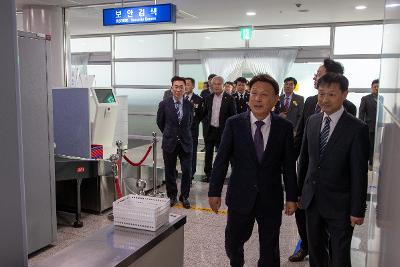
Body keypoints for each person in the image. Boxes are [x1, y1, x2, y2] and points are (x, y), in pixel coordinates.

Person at [208, 74, 298, 266]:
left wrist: (291, 196)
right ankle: (236, 261)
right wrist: (214, 191)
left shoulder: (284, 127)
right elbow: (221, 160)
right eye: (254, 93)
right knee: (233, 242)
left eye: (264, 95)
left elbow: (289, 165)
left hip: (270, 197)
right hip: (240, 195)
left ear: (275, 99)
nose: (257, 98)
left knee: (270, 247)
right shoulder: (234, 124)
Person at [289, 58, 357, 262]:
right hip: (310, 182)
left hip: (336, 192)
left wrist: (356, 207)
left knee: (337, 249)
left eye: (319, 74)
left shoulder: (350, 112)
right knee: (309, 229)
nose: (315, 77)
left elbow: (354, 163)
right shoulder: (311, 103)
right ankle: (306, 246)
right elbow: (302, 137)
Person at [298, 72, 369, 267]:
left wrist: (357, 209)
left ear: (344, 94)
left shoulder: (357, 128)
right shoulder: (312, 121)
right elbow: (305, 161)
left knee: (339, 256)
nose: (325, 99)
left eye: (331, 94)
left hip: (341, 205)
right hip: (312, 200)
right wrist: (299, 194)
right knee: (316, 251)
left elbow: (359, 172)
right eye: (321, 94)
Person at [156, 76, 193, 209]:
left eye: (181, 87)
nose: (178, 89)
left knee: (187, 171)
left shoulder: (189, 104)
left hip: (186, 142)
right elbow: (160, 122)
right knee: (170, 171)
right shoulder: (164, 104)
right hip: (169, 142)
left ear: (185, 89)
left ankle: (185, 196)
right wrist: (169, 133)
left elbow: (190, 122)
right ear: (172, 88)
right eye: (176, 87)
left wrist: (181, 134)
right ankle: (172, 195)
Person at [202, 75, 236, 182]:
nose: (216, 86)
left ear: (223, 85)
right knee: (208, 154)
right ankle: (208, 174)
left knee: (224, 154)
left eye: (218, 84)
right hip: (210, 130)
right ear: (211, 85)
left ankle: (223, 174)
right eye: (214, 84)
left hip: (223, 131)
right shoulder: (208, 98)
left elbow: (233, 116)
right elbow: (205, 114)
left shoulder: (229, 98)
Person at [184, 77, 204, 182]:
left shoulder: (199, 99)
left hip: (192, 131)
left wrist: (194, 123)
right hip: (180, 132)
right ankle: (182, 173)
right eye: (185, 84)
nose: (186, 86)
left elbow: (201, 115)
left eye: (188, 84)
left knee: (192, 153)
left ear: (193, 86)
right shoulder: (179, 98)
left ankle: (191, 174)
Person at [359, 79, 379, 168]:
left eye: (378, 87)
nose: (377, 89)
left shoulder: (382, 99)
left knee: (378, 146)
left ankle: (375, 162)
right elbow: (361, 113)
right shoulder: (366, 98)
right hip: (369, 126)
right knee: (370, 146)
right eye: (375, 87)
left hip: (380, 127)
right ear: (372, 87)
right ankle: (370, 163)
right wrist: (361, 126)